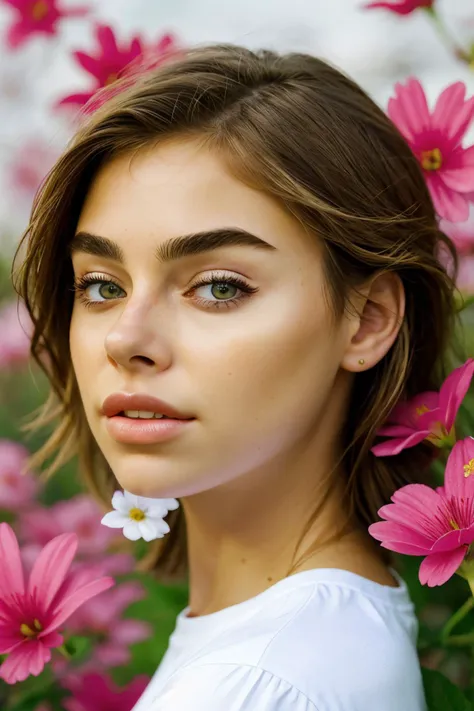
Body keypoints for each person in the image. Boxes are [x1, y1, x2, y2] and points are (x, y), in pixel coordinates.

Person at [12, 44, 456, 710]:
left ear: (367, 321)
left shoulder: (258, 684)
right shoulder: (312, 641)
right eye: (101, 284)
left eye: (218, 286)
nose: (126, 338)